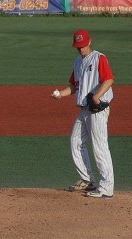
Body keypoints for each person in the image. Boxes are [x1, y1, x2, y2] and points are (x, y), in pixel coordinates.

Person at [52, 29, 114, 198]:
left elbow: (109, 79)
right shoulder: (78, 62)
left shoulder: (99, 58)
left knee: (100, 146)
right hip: (84, 110)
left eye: (82, 45)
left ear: (89, 42)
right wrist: (60, 94)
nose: (80, 49)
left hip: (98, 110)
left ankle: (107, 187)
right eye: (77, 46)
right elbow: (74, 86)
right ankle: (88, 180)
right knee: (75, 141)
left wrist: (97, 95)